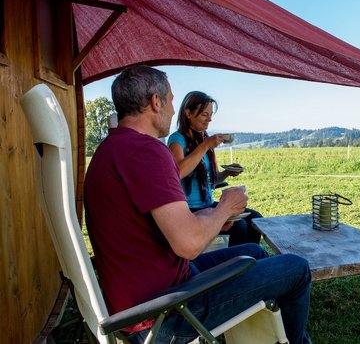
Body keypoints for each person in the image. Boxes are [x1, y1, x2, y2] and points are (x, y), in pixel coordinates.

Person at [84, 65, 312, 344]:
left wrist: (211, 214)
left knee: (254, 252)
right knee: (297, 268)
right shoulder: (146, 150)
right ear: (156, 102)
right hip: (165, 313)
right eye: (169, 100)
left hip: (144, 298)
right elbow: (189, 245)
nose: (171, 109)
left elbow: (154, 225)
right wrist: (225, 207)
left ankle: (260, 337)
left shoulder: (109, 150)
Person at [167, 91, 262, 246]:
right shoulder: (178, 139)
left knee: (256, 219)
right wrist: (205, 145)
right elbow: (178, 172)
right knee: (240, 227)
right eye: (205, 114)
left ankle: (251, 259)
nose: (209, 119)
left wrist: (226, 173)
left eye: (210, 115)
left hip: (208, 203)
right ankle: (235, 263)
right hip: (191, 209)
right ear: (188, 113)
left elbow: (211, 179)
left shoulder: (204, 140)